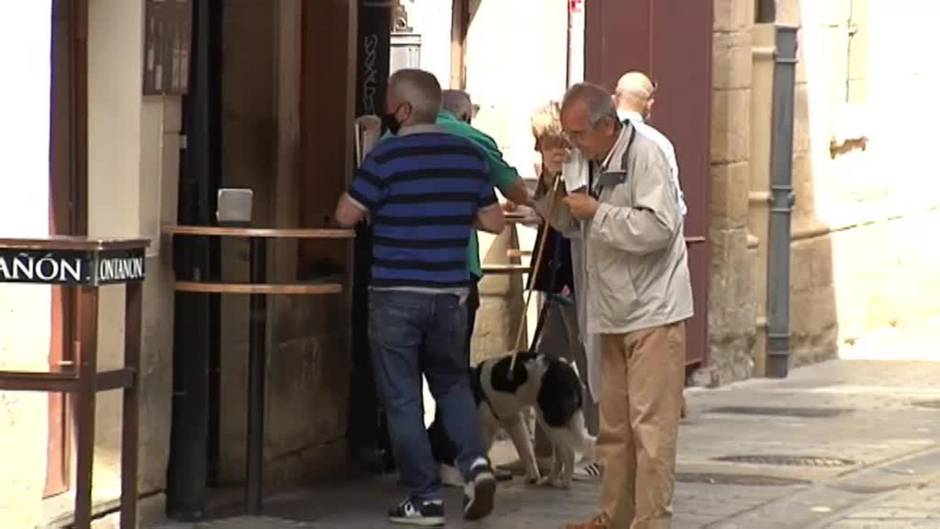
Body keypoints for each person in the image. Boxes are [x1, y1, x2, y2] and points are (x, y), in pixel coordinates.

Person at [334, 69, 503, 526]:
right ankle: (474, 464)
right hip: (450, 294)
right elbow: (494, 222)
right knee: (451, 384)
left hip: (396, 294)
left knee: (403, 396)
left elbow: (345, 215)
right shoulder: (469, 156)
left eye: (392, 105)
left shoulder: (386, 157)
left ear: (404, 110)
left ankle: (425, 498)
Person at [535, 83, 693, 529]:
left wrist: (598, 213)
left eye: (577, 135)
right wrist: (550, 180)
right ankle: (613, 515)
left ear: (606, 125)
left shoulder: (647, 155)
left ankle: (650, 520)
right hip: (609, 311)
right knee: (615, 428)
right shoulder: (587, 160)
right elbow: (564, 220)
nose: (573, 144)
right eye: (567, 137)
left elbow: (661, 227)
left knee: (651, 430)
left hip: (653, 310)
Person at [613, 71, 686, 217]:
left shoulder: (599, 136)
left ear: (615, 99)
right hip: (644, 232)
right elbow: (676, 206)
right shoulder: (660, 143)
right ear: (650, 105)